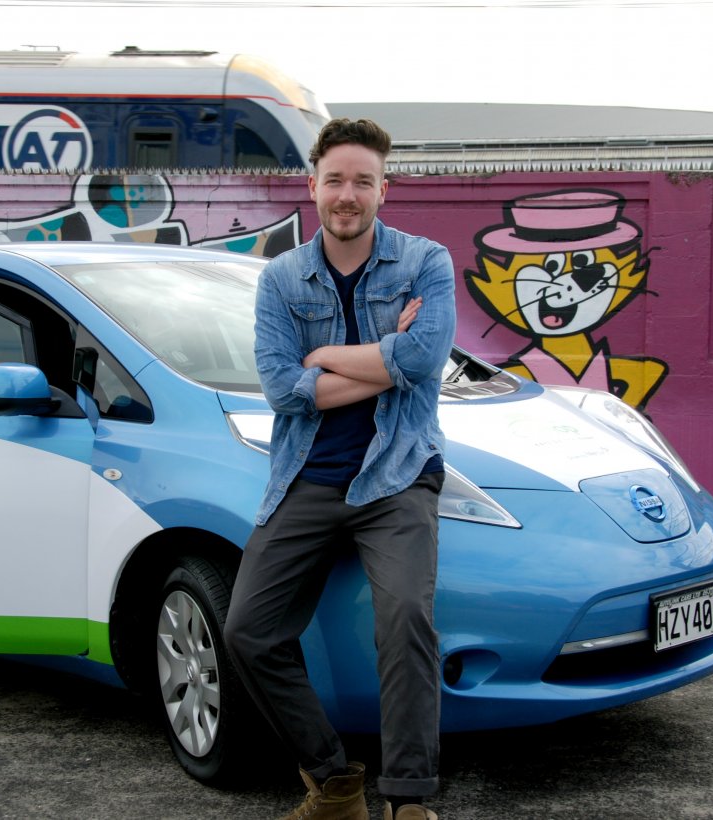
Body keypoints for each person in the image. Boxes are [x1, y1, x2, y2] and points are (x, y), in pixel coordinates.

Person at [223, 117, 456, 820]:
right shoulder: (280, 278)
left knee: (406, 619)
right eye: (335, 180)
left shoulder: (425, 262)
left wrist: (322, 357)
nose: (347, 194)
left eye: (363, 181)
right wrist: (386, 358)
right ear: (313, 186)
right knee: (248, 631)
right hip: (308, 474)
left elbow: (425, 360)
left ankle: (409, 802)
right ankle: (332, 784)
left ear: (385, 189)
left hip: (397, 472)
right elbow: (280, 388)